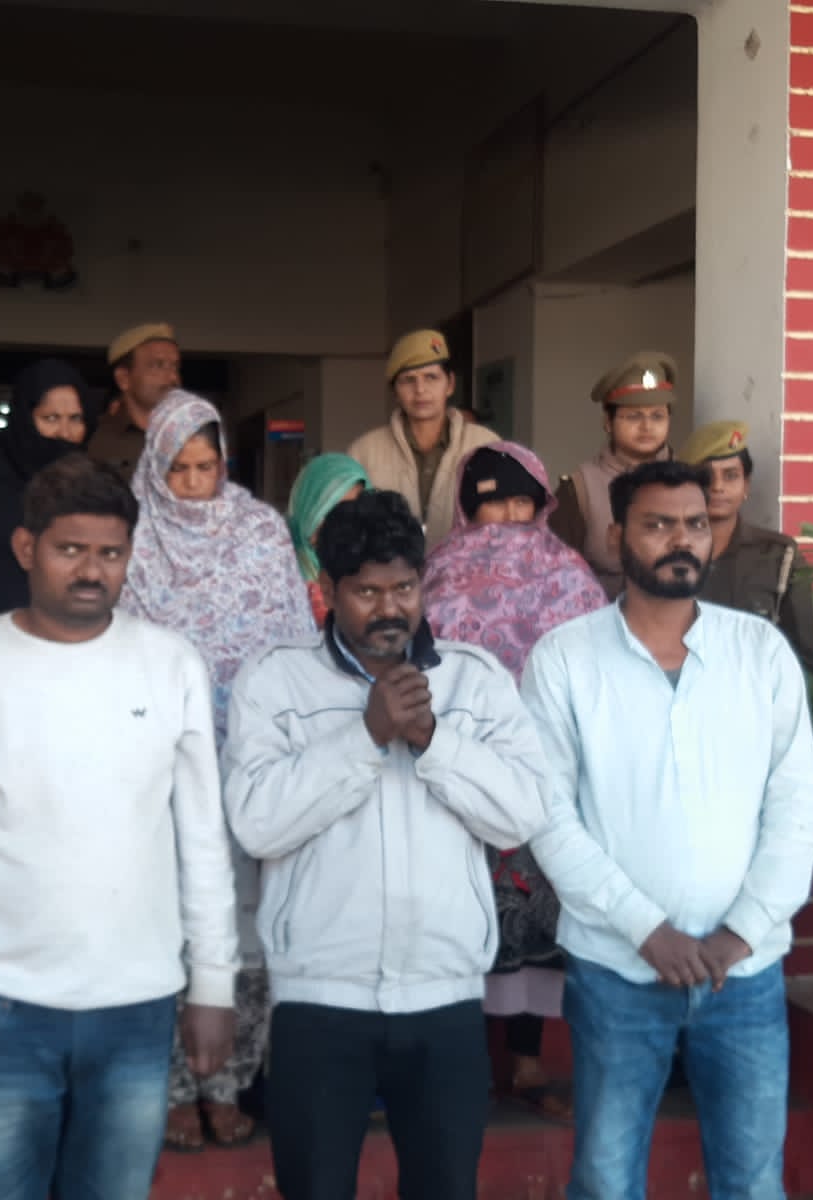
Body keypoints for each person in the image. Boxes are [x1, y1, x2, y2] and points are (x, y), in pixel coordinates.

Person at [0, 455, 239, 1200]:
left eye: (110, 553)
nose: (91, 571)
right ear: (25, 548)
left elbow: (202, 842)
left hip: (135, 1007)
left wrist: (213, 983)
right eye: (70, 549)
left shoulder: (170, 665)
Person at [223, 488, 549, 1200]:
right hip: (318, 998)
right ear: (327, 589)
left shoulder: (473, 678)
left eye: (403, 588)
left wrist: (433, 739)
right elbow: (255, 823)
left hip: (445, 997)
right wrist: (365, 735)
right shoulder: (274, 679)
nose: (389, 609)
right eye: (366, 592)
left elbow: (521, 815)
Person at [524, 459, 813, 1200]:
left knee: (753, 1182)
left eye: (694, 524)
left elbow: (796, 808)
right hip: (616, 969)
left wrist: (741, 932)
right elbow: (547, 815)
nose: (680, 540)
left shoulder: (759, 652)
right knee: (605, 1179)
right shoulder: (565, 658)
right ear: (615, 536)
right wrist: (645, 929)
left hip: (743, 974)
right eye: (657, 525)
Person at [120, 389, 314, 1148]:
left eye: (208, 466)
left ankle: (228, 1080)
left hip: (250, 762)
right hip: (160, 764)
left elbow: (291, 637)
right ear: (154, 466)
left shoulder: (260, 529)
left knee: (245, 929)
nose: (196, 483)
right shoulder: (134, 535)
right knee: (165, 924)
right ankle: (171, 1088)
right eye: (180, 469)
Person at [422, 441, 606, 1121]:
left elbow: (596, 670)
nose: (506, 518)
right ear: (467, 507)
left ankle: (527, 1060)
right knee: (463, 913)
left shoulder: (571, 574)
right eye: (491, 503)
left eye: (520, 502)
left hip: (545, 775)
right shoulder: (436, 571)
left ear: (542, 505)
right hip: (458, 774)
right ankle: (465, 1063)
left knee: (538, 915)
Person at [0, 359, 96, 636]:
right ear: (26, 420)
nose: (65, 433)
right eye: (51, 419)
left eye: (75, 419)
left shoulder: (85, 481)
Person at [679, 419, 813, 676]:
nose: (718, 486)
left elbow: (803, 663)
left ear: (746, 485)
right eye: (705, 476)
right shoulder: (663, 553)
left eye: (731, 476)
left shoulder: (779, 556)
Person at [347, 329, 497, 552]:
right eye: (408, 380)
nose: (420, 390)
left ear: (450, 384)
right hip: (387, 572)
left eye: (431, 377)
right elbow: (348, 528)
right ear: (395, 392)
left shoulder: (486, 445)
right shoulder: (364, 452)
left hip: (468, 571)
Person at [548, 351, 676, 598]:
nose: (647, 426)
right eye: (634, 416)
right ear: (608, 421)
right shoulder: (580, 488)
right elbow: (557, 574)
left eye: (657, 416)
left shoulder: (690, 482)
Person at [84, 322, 180, 481]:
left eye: (175, 367)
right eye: (158, 365)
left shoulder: (196, 434)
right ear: (124, 378)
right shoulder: (94, 438)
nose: (173, 378)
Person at [287, 452, 369, 626]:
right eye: (330, 508)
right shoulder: (274, 573)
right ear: (307, 507)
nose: (343, 521)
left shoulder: (375, 569)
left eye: (354, 509)